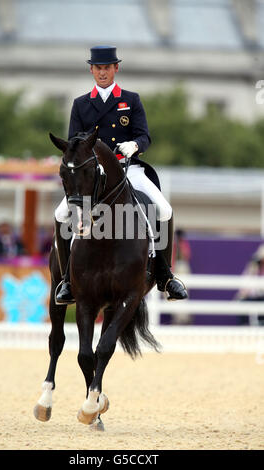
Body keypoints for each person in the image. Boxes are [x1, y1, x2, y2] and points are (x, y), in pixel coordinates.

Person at [54, 45, 188, 304]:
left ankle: (165, 275)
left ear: (115, 68)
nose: (102, 72)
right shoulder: (81, 104)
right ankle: (67, 281)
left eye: (107, 67)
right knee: (60, 214)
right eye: (98, 68)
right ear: (91, 69)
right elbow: (73, 142)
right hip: (92, 174)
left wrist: (135, 145)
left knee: (163, 209)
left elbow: (144, 135)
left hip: (127, 169)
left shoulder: (131, 100)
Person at [236, 244, 264, 325]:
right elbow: (243, 289)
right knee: (242, 302)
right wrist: (253, 271)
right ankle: (245, 326)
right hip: (253, 298)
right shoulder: (252, 268)